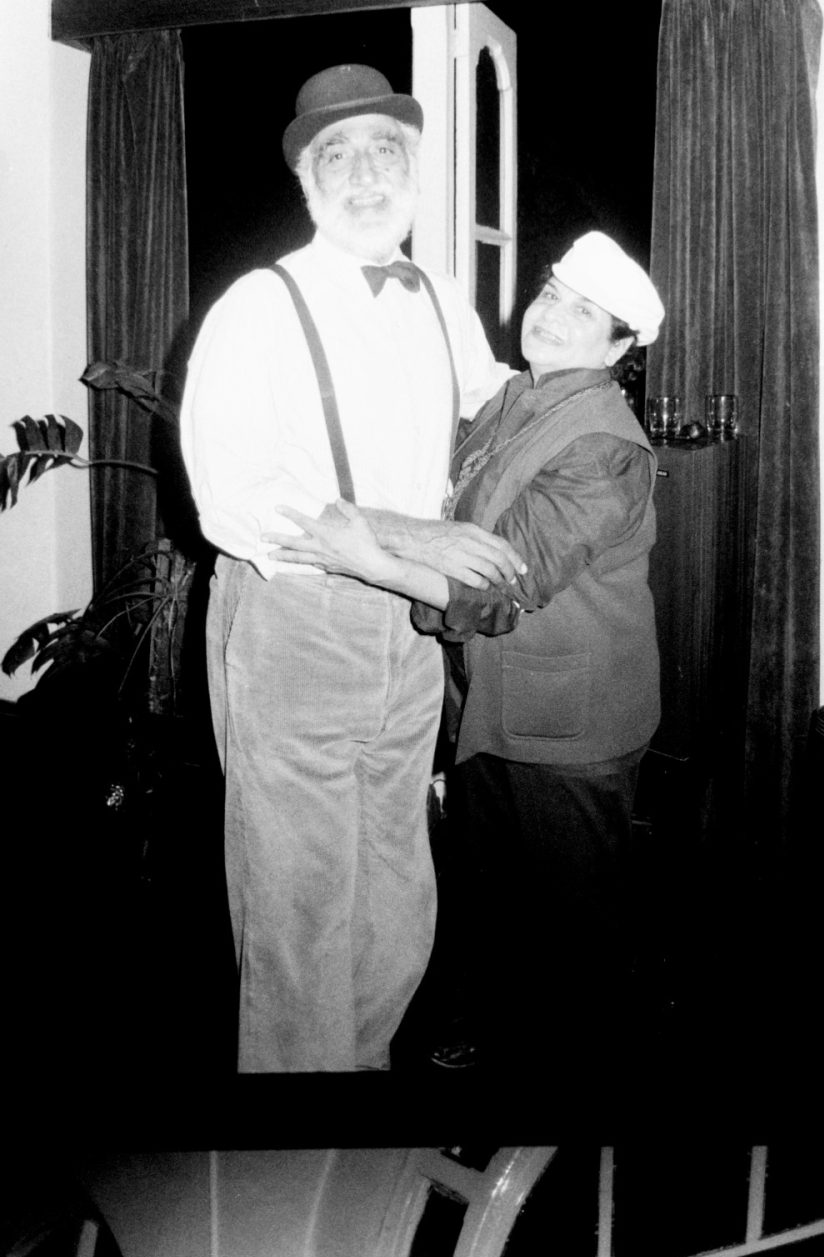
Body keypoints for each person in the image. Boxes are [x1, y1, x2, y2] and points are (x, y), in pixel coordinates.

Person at [179, 64, 522, 1073]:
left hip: (405, 637)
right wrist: (412, 537)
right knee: (299, 907)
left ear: (413, 170)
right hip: (297, 623)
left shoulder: (440, 298)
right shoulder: (258, 306)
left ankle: (363, 1075)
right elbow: (232, 498)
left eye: (385, 151)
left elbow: (494, 407)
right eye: (339, 155)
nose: (367, 174)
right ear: (308, 182)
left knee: (396, 887)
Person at [264, 230, 665, 1072]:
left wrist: (367, 559)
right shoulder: (517, 396)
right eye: (551, 294)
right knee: (491, 881)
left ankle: (586, 1071)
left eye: (582, 313)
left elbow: (500, 586)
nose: (551, 315)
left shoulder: (603, 446)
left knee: (577, 919)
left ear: (617, 348)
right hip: (497, 700)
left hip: (571, 720)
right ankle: (489, 1026)